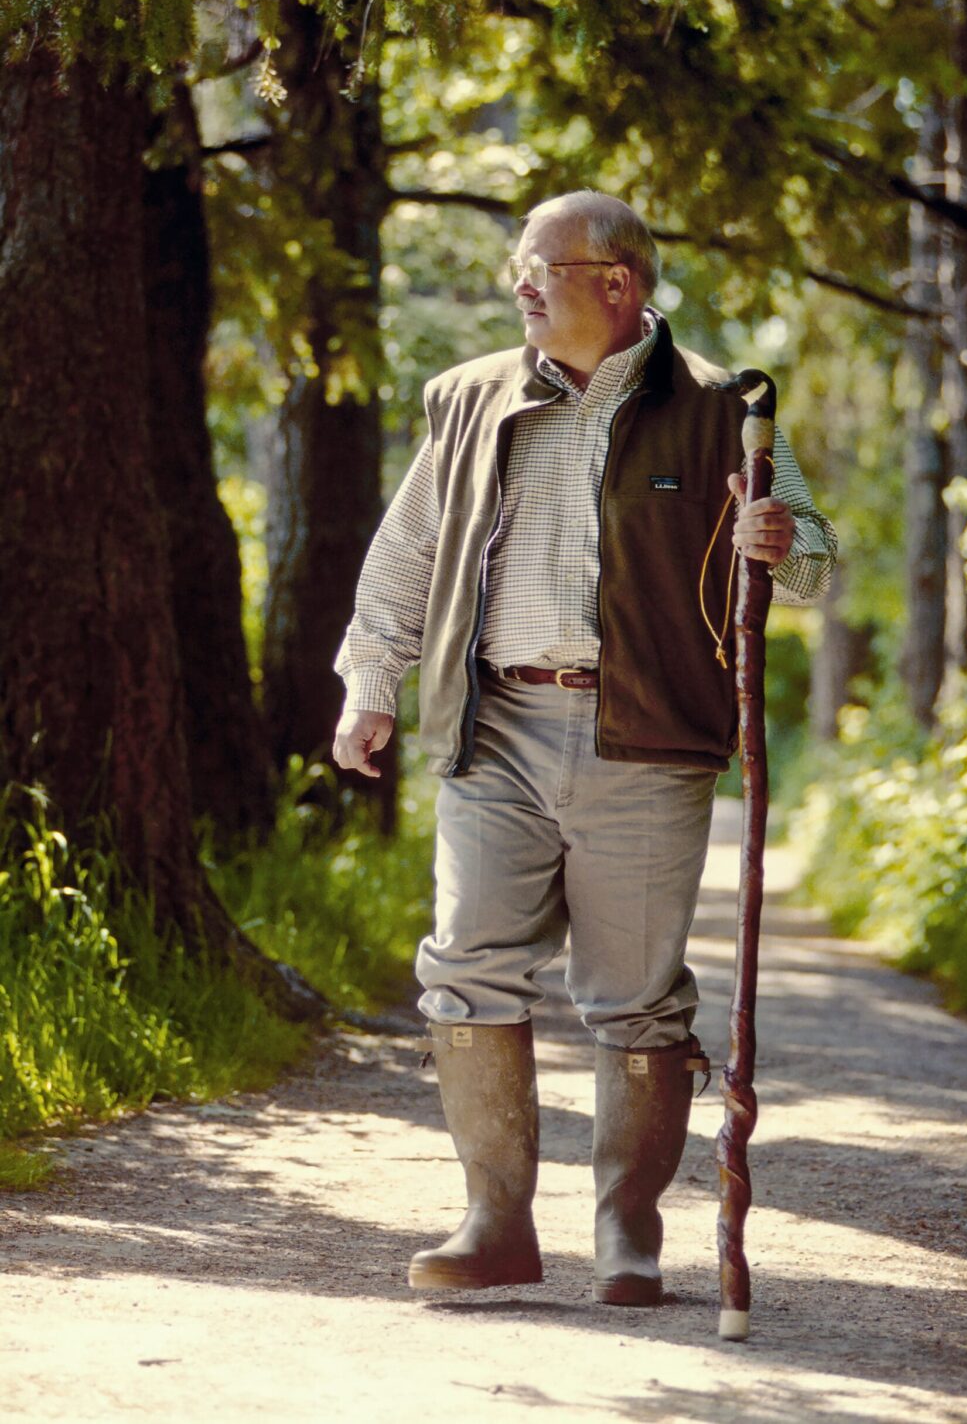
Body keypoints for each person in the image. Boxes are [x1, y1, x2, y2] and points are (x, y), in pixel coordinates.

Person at [332, 190, 836, 1306]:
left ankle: (626, 1233)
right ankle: (494, 1224)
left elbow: (808, 564)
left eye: (538, 266)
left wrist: (780, 535)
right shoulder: (469, 397)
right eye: (520, 264)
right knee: (464, 968)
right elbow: (408, 545)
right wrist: (372, 681)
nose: (519, 283)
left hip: (646, 737)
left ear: (615, 284)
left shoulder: (723, 407)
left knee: (637, 999)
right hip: (495, 724)